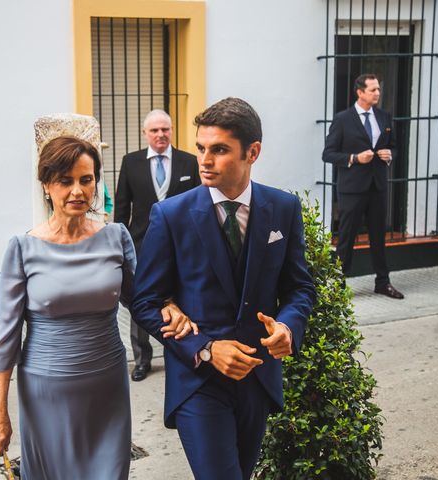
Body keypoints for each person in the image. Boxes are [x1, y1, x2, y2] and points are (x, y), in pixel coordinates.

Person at [0, 136, 195, 479]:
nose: (78, 191)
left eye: (86, 179)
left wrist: (173, 311)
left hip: (107, 385)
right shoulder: (22, 249)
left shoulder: (116, 237)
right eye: (65, 181)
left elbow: (141, 302)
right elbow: (6, 337)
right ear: (46, 185)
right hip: (45, 391)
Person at [132, 97, 316, 479]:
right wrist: (205, 348)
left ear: (253, 152)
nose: (204, 159)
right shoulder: (171, 215)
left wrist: (287, 328)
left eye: (219, 150)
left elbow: (299, 288)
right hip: (198, 382)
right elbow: (145, 301)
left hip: (258, 377)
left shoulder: (283, 209)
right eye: (201, 148)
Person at [114, 109, 200, 381]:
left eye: (165, 129)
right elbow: (121, 206)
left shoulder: (190, 162)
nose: (161, 135)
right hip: (141, 245)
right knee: (143, 300)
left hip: (183, 245)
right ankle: (142, 359)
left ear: (172, 131)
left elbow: (201, 203)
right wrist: (120, 245)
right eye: (155, 130)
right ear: (145, 134)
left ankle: (184, 350)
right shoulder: (131, 162)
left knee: (183, 298)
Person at [323, 73, 404, 299]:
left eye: (378, 89)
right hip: (352, 189)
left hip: (378, 187)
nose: (377, 93)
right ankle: (337, 286)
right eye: (373, 90)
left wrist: (390, 155)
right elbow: (328, 154)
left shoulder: (384, 117)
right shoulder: (342, 119)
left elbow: (394, 147)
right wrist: (355, 158)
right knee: (347, 238)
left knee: (379, 237)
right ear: (360, 92)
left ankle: (382, 282)